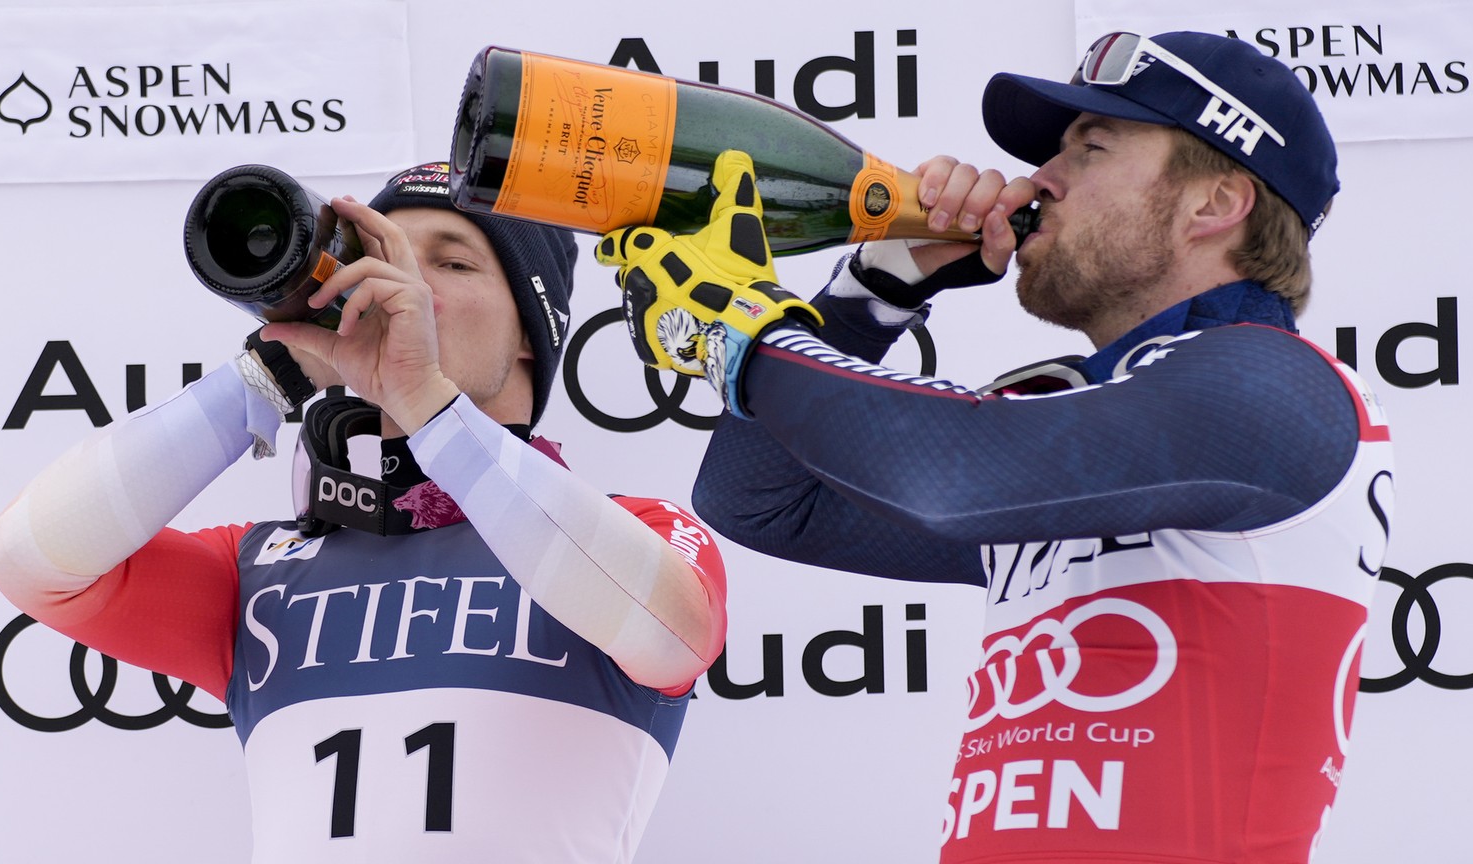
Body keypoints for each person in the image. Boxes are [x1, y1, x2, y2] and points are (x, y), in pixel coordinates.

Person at [595, 31, 1391, 864]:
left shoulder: (1278, 387)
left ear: (1213, 205)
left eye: (1092, 148)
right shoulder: (1115, 422)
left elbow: (955, 479)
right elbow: (764, 502)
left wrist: (747, 335)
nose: (1043, 177)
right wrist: (871, 296)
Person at [0, 162, 727, 863]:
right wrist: (278, 368)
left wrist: (429, 404)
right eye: (378, 257)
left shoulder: (635, 534)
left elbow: (667, 632)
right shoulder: (257, 568)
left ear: (534, 339)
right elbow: (27, 557)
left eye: (452, 263)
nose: (401, 284)